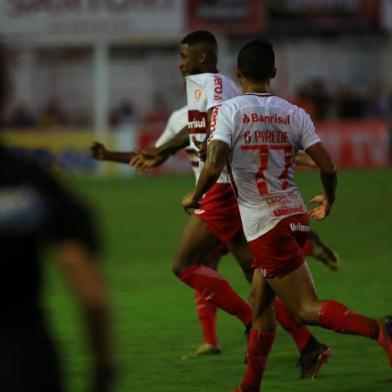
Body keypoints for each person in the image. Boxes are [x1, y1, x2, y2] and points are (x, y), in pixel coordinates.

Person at [182, 39, 392, 391]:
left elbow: (214, 161)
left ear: (238, 74)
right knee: (260, 304)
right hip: (295, 218)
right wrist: (328, 199)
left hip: (266, 226)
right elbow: (328, 165)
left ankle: (379, 329)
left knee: (306, 308)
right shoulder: (294, 113)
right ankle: (249, 386)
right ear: (274, 73)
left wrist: (196, 194)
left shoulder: (228, 111)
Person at [128, 30, 335, 377]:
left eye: (183, 55)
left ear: (203, 58)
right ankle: (308, 344)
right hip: (234, 190)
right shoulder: (199, 86)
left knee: (183, 264)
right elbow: (199, 131)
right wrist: (162, 150)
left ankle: (247, 322)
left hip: (223, 188)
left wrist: (191, 185)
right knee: (260, 278)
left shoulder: (215, 84)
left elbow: (217, 132)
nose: (179, 63)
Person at [0, 43, 113, 392]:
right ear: (7, 91)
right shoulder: (32, 181)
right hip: (24, 362)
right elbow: (91, 296)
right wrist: (103, 368)